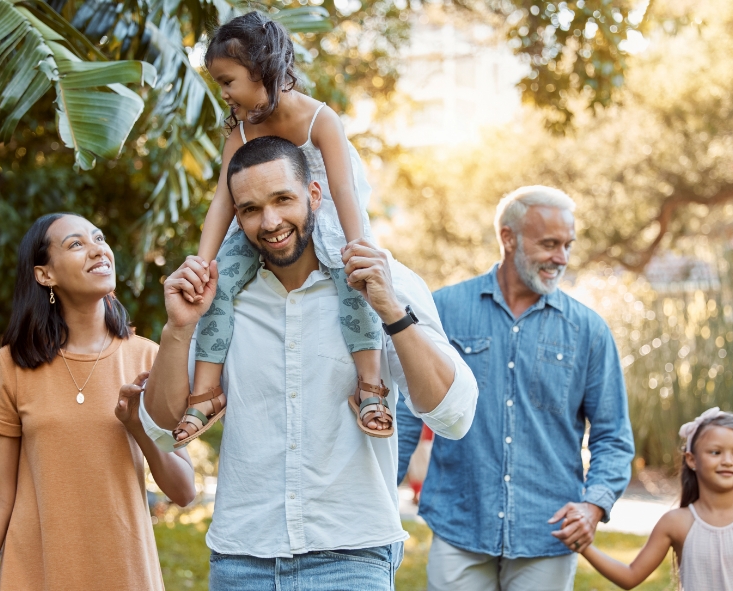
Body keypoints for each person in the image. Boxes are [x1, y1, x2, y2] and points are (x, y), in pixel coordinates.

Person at [139, 136, 478, 590]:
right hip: (243, 560)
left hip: (352, 557)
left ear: (314, 195)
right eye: (252, 209)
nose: (271, 222)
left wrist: (392, 312)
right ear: (236, 216)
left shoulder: (381, 279)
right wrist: (178, 329)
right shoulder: (216, 297)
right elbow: (163, 429)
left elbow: (454, 415)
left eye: (283, 199)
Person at [397, 185, 635, 590]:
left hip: (547, 532)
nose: (561, 258)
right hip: (459, 523)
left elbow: (613, 435)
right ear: (508, 238)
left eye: (567, 245)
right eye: (549, 244)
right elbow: (406, 414)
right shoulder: (443, 310)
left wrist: (594, 505)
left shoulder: (588, 330)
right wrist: (381, 494)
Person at [178, 10, 387, 447]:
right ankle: (207, 392)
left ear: (261, 69)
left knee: (356, 284)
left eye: (227, 81)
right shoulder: (241, 132)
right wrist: (203, 262)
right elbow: (223, 201)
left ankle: (370, 386)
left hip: (323, 214)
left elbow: (343, 190)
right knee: (217, 285)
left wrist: (357, 248)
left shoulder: (320, 119)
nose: (223, 94)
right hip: (261, 222)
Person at [0, 214, 196, 591]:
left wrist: (138, 426)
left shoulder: (149, 360)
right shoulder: (11, 365)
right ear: (45, 275)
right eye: (76, 244)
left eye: (99, 238)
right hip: (35, 578)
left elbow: (184, 491)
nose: (97, 249)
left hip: (125, 576)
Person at [581, 408, 733, 591]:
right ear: (692, 459)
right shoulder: (675, 523)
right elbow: (630, 576)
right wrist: (584, 547)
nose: (727, 461)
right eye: (716, 452)